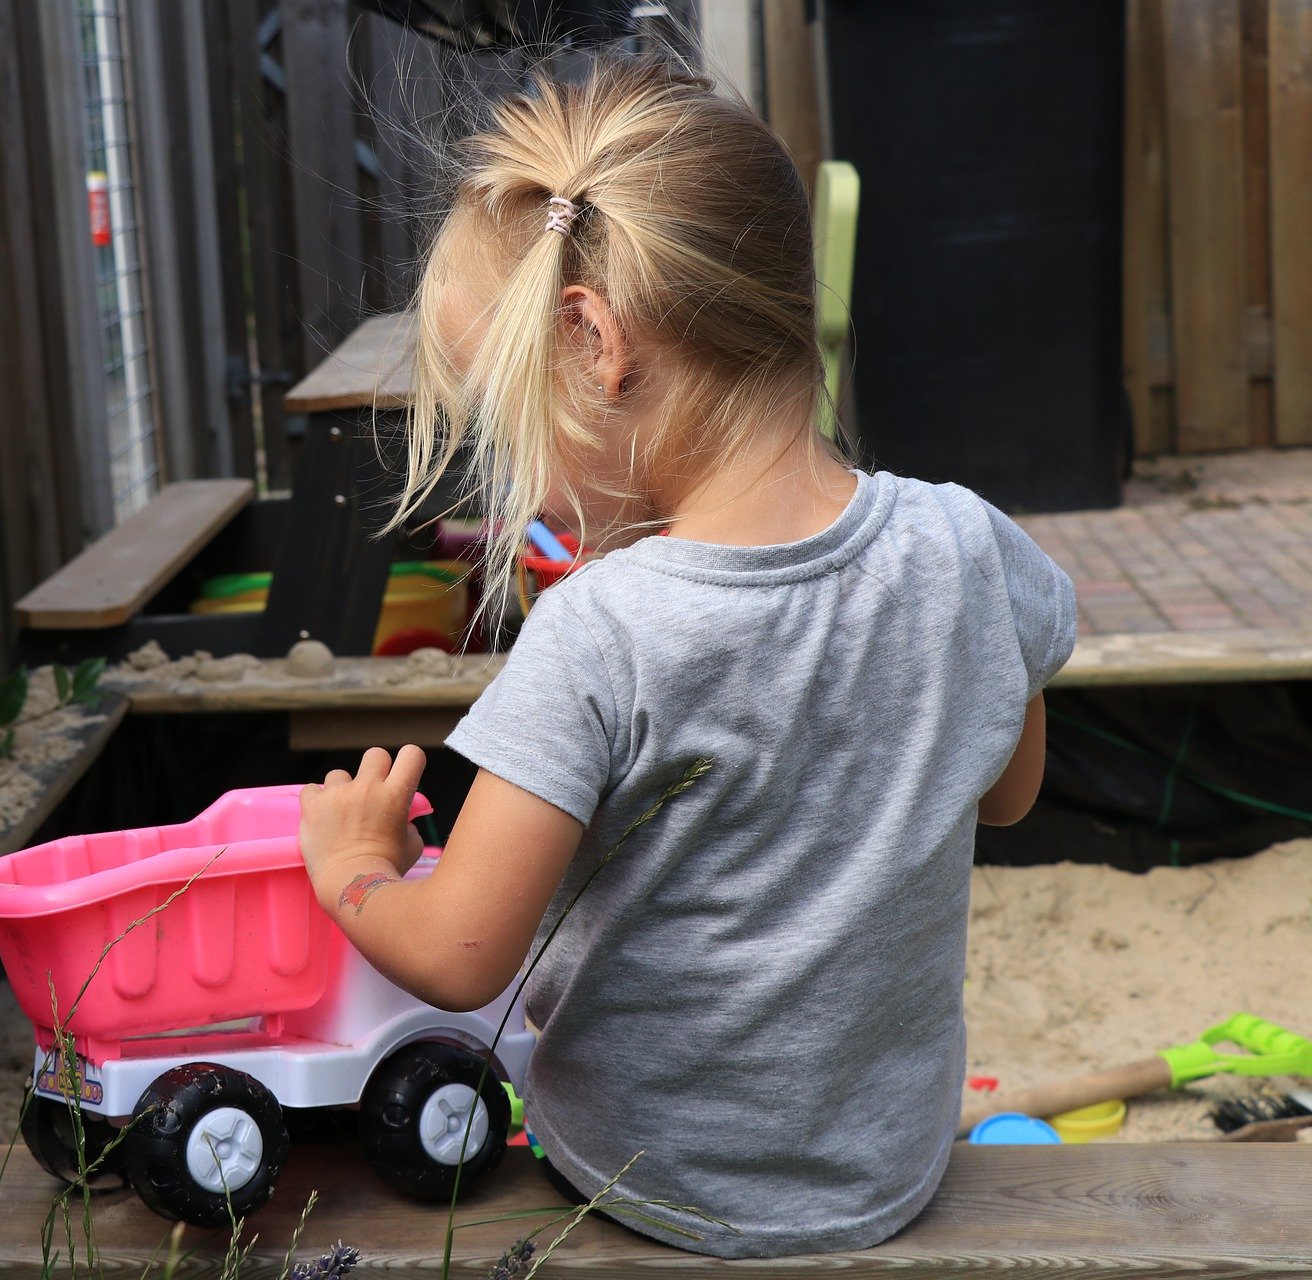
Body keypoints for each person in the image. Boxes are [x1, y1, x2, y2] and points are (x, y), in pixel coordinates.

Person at [297, 50, 1076, 1259]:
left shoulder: (601, 630)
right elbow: (1014, 790)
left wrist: (354, 866)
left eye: (509, 424)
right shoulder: (969, 545)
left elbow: (458, 954)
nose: (530, 485)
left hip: (650, 1182)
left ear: (594, 339)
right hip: (886, 1170)